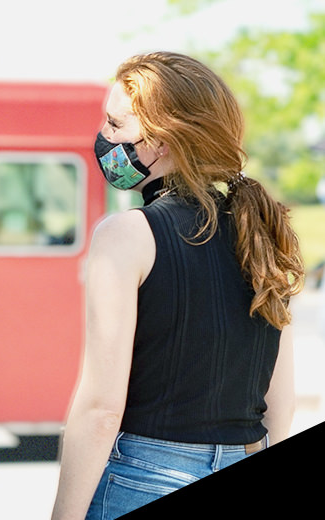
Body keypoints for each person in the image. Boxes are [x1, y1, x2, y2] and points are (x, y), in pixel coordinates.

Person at [51, 51, 304, 520]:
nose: (104, 138)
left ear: (162, 140)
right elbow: (278, 406)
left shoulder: (126, 234)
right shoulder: (264, 233)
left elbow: (102, 408)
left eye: (115, 124)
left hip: (143, 477)